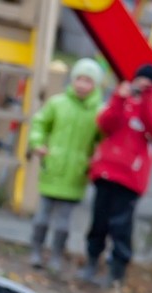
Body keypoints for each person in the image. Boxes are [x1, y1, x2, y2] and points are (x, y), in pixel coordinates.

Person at [83, 63, 152, 287]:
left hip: (131, 180)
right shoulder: (121, 101)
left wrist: (146, 99)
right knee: (99, 222)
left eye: (148, 84)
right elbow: (105, 124)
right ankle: (91, 263)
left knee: (121, 226)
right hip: (106, 172)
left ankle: (116, 273)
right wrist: (119, 98)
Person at [27, 58, 104, 275]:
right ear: (72, 80)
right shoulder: (57, 103)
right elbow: (40, 123)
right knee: (42, 215)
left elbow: (103, 138)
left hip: (75, 174)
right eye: (79, 79)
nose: (82, 85)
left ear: (95, 85)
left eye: (88, 81)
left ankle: (56, 254)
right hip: (53, 168)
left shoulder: (98, 113)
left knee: (63, 221)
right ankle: (35, 249)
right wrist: (38, 143)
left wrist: (94, 160)